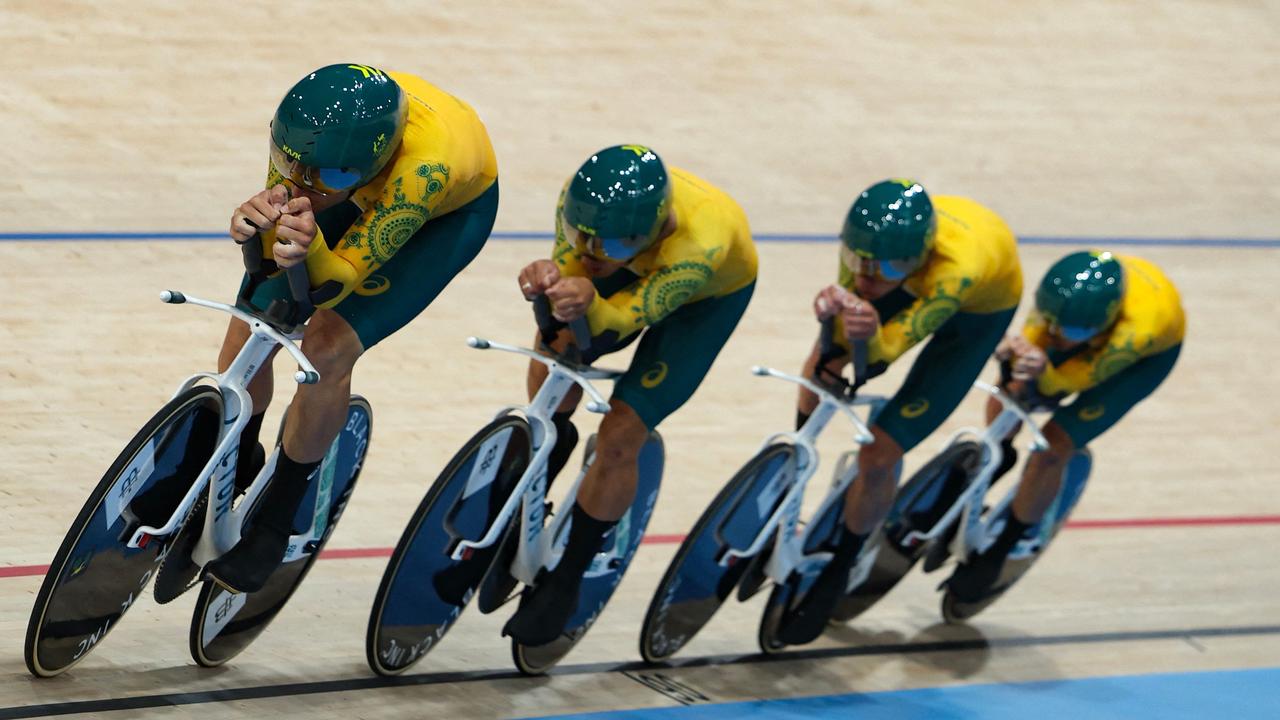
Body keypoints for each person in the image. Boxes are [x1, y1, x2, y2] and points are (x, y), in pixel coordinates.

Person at [205, 63, 499, 593]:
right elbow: (276, 254)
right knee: (252, 321)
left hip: (441, 219)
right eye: (291, 166)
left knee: (327, 347)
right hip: (358, 172)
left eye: (329, 179)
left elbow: (334, 284)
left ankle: (279, 517)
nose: (306, 188)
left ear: (372, 163)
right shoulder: (308, 143)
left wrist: (307, 243)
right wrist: (256, 230)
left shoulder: (423, 171)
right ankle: (241, 448)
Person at [503, 144, 758, 646]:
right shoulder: (582, 208)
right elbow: (579, 272)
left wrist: (589, 299)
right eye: (582, 237)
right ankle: (537, 475)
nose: (592, 253)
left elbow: (620, 320)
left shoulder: (696, 244)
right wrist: (552, 281)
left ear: (652, 233)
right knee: (556, 366)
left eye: (607, 247)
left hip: (704, 302)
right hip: (634, 258)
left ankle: (568, 578)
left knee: (621, 434)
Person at [779, 179, 1024, 644]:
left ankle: (841, 570)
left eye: (884, 267)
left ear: (917, 257)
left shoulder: (954, 272)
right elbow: (841, 348)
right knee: (827, 358)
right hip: (930, 256)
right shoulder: (871, 250)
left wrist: (866, 332)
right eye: (857, 262)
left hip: (979, 305)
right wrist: (836, 324)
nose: (867, 276)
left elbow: (881, 355)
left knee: (880, 451)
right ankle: (794, 465)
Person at [947, 250, 1184, 600]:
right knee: (1011, 387)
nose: (1056, 334)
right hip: (1089, 317)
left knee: (1053, 445)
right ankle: (995, 460)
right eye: (1050, 321)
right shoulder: (1060, 305)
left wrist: (1044, 373)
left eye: (1069, 330)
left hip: (1141, 361)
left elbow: (1067, 385)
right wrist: (1017, 361)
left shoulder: (1135, 334)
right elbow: (1036, 346)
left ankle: (1008, 542)